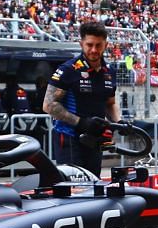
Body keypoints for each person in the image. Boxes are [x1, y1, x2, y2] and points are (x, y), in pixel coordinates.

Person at [45, 19, 118, 175]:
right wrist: (81, 122)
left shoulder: (109, 71)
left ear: (106, 45)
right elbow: (48, 105)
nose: (93, 49)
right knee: (74, 190)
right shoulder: (68, 69)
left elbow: (110, 103)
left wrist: (119, 122)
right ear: (81, 44)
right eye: (89, 45)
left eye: (98, 45)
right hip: (69, 138)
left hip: (95, 140)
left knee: (93, 185)